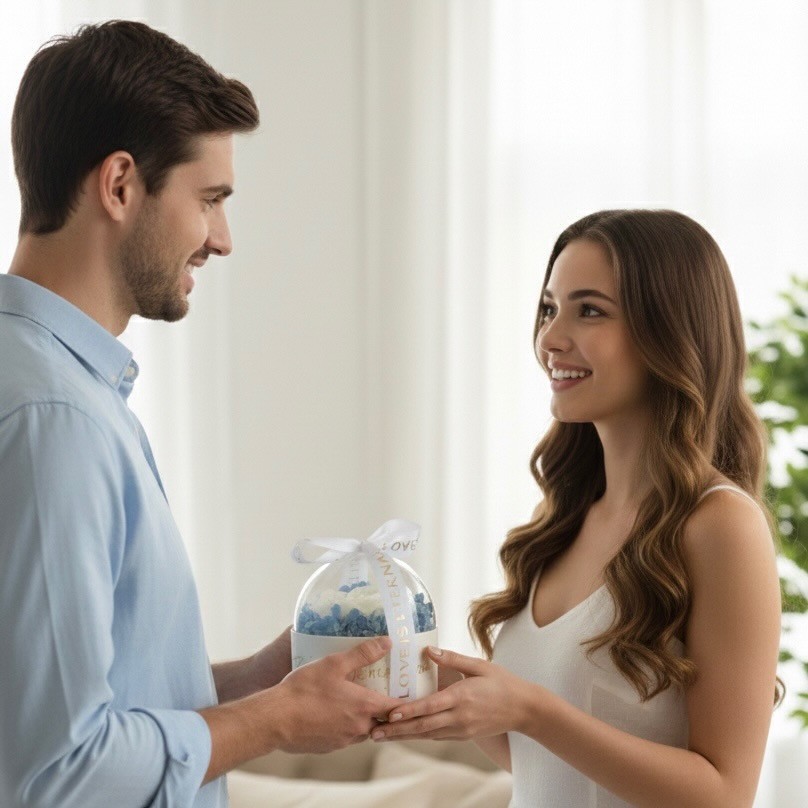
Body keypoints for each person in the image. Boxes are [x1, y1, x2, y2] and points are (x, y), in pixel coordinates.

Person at [0, 21, 399, 808]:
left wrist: (263, 683)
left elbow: (83, 707)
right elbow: (57, 772)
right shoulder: (55, 419)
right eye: (210, 200)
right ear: (120, 185)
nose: (221, 239)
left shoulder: (68, 393)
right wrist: (276, 720)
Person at [371, 209, 783, 807]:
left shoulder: (721, 525)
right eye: (549, 308)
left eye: (589, 310)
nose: (550, 339)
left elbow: (725, 795)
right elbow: (549, 769)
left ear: (670, 331)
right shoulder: (568, 518)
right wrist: (439, 683)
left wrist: (531, 709)